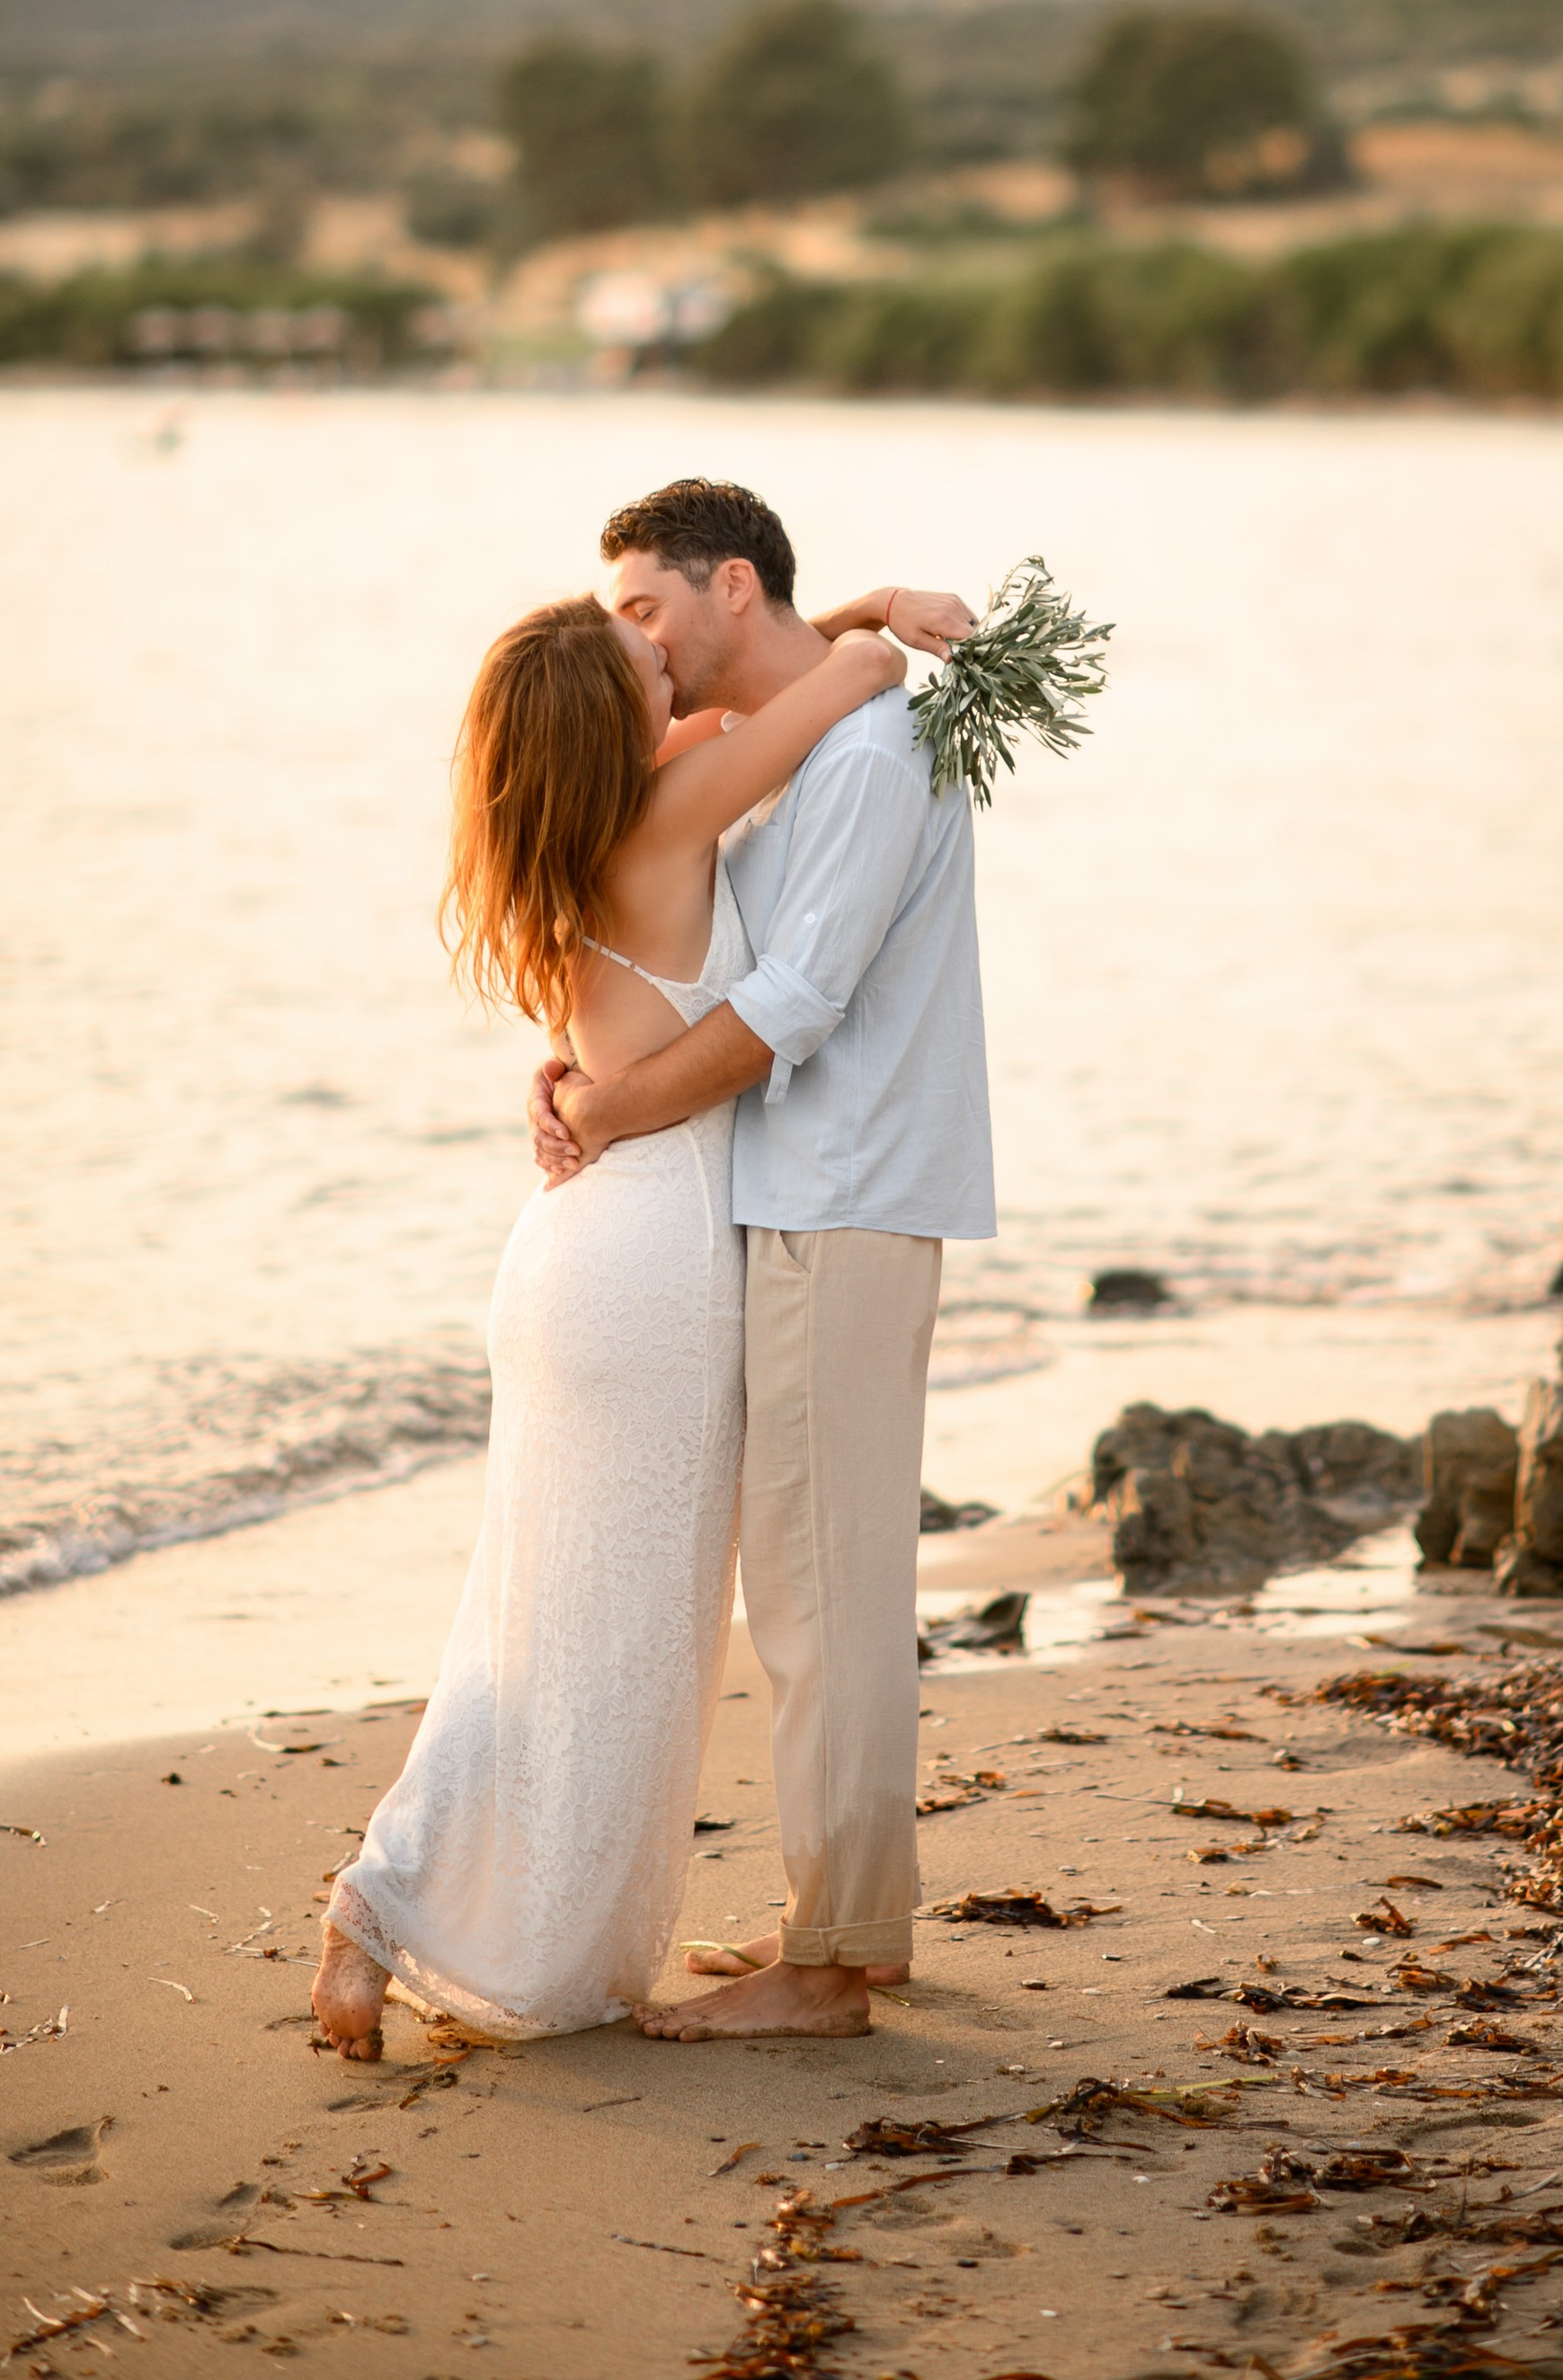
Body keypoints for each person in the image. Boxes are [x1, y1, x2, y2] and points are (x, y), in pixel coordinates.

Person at [309, 547, 964, 2057]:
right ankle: (393, 1906)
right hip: (655, 1267)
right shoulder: (670, 807)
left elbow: (760, 690)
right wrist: (877, 614)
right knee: (611, 1638)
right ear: (610, 722)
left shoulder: (577, 834)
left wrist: (806, 630)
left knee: (536, 1613)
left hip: (570, 1259)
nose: (666, 662)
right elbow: (851, 680)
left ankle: (386, 1903)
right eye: (638, 661)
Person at [528, 475, 995, 2045]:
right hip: (808, 1192)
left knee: (822, 1592)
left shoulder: (863, 756)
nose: (632, 642)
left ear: (732, 585)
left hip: (839, 1197)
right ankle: (852, 1923)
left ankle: (834, 1967)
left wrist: (607, 1114)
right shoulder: (802, 742)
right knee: (818, 1574)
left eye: (643, 608)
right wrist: (583, 1070)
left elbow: (796, 1005)